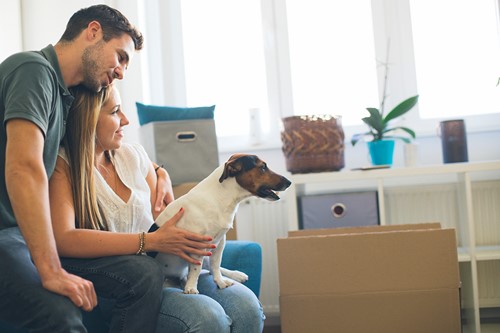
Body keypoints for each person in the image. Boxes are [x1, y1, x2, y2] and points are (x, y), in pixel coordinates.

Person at [0, 5, 212, 332]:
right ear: (93, 32)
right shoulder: (33, 70)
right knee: (61, 316)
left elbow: (114, 145)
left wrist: (160, 171)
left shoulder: (65, 96)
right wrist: (51, 269)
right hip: (7, 232)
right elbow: (24, 166)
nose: (122, 71)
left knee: (143, 274)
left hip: (22, 234)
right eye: (121, 56)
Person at [49, 83, 265, 332]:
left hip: (177, 267)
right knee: (207, 318)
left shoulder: (132, 156)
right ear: (86, 119)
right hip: (134, 283)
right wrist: (149, 241)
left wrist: (162, 173)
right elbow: (64, 239)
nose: (126, 120)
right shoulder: (63, 167)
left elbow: (166, 213)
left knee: (247, 308)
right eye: (115, 112)